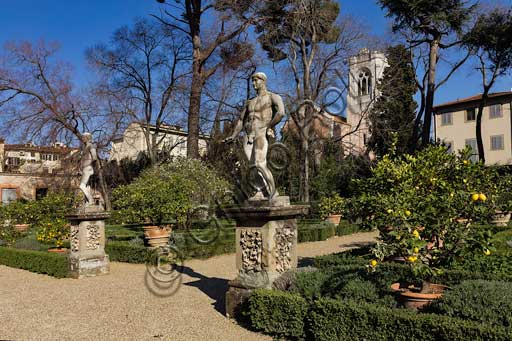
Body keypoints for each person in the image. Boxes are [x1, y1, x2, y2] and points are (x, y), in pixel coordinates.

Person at [224, 72, 285, 200]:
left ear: (263, 81)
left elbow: (281, 113)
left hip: (262, 132)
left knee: (259, 164)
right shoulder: (250, 102)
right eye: (252, 81)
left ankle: (273, 193)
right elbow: (241, 120)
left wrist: (269, 126)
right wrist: (234, 135)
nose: (253, 83)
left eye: (256, 80)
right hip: (248, 135)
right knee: (252, 167)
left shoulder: (272, 97)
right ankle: (260, 191)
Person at [79, 133, 98, 205]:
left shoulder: (91, 146)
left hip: (88, 168)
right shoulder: (85, 147)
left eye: (83, 137)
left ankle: (91, 200)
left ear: (87, 138)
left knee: (82, 186)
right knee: (87, 186)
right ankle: (89, 201)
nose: (82, 138)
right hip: (85, 168)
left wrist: (89, 165)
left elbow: (94, 157)